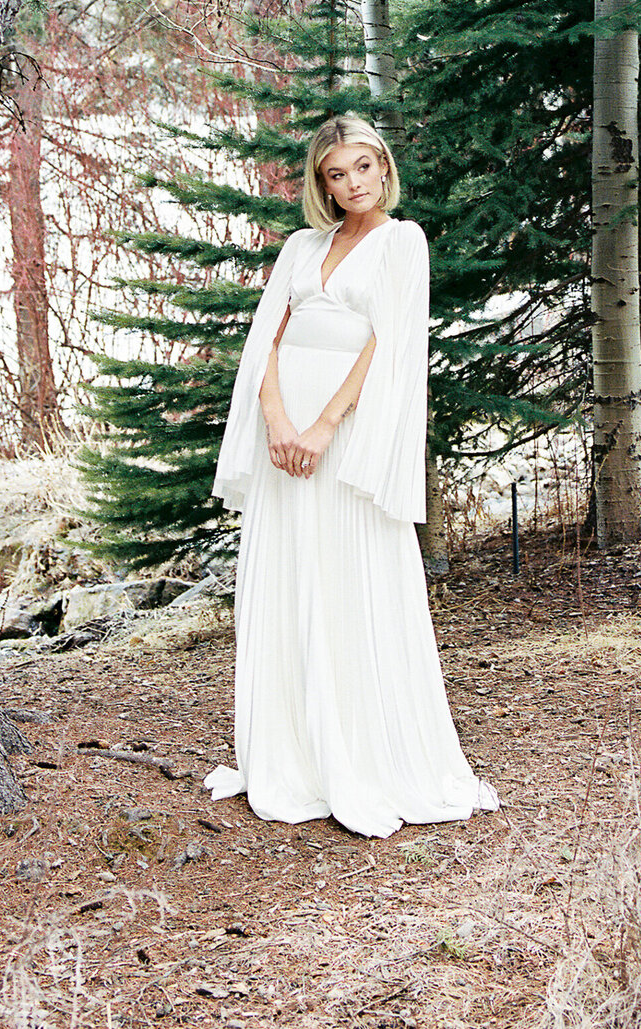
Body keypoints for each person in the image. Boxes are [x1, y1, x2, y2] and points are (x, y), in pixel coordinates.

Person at [204, 114, 498, 836]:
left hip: (347, 430)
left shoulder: (404, 241)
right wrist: (277, 423)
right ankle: (293, 751)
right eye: (337, 173)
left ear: (383, 166)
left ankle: (361, 748)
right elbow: (266, 340)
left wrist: (324, 426)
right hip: (285, 436)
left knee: (348, 575)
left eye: (363, 167)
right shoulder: (303, 246)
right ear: (321, 183)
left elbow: (387, 344)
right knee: (289, 573)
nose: (353, 183)